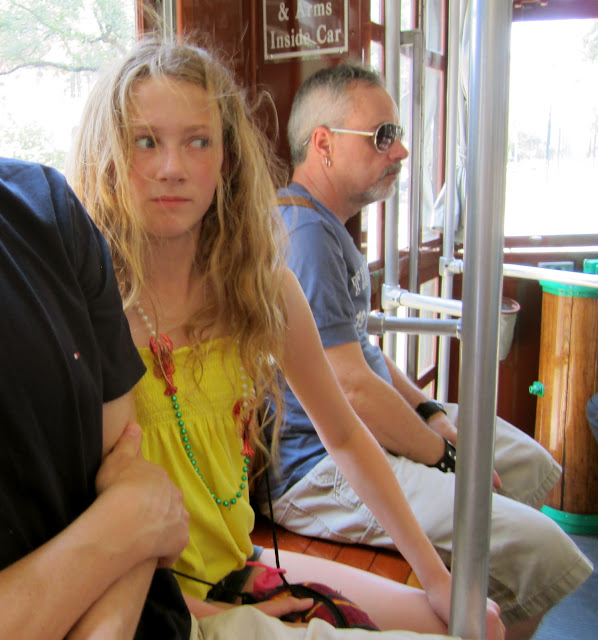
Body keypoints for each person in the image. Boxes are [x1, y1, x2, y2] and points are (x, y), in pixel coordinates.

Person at [68, 38, 504, 638]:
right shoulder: (87, 311)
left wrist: (437, 577)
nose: (172, 167)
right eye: (146, 141)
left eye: (198, 141)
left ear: (227, 158)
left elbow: (345, 436)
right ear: (110, 156)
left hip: (239, 565)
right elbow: (74, 519)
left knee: (468, 625)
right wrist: (207, 614)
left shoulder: (262, 287)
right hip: (147, 602)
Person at [261, 62, 594, 640]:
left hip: (359, 435)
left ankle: (488, 597)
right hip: (315, 469)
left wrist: (430, 412)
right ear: (324, 144)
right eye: (383, 136)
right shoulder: (306, 238)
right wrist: (446, 459)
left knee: (529, 464)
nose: (402, 151)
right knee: (542, 548)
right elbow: (352, 388)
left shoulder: (327, 225)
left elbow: (363, 351)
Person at [0, 157, 191, 639]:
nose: (172, 168)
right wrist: (129, 526)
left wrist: (136, 519)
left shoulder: (48, 203)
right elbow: (144, 508)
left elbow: (132, 473)